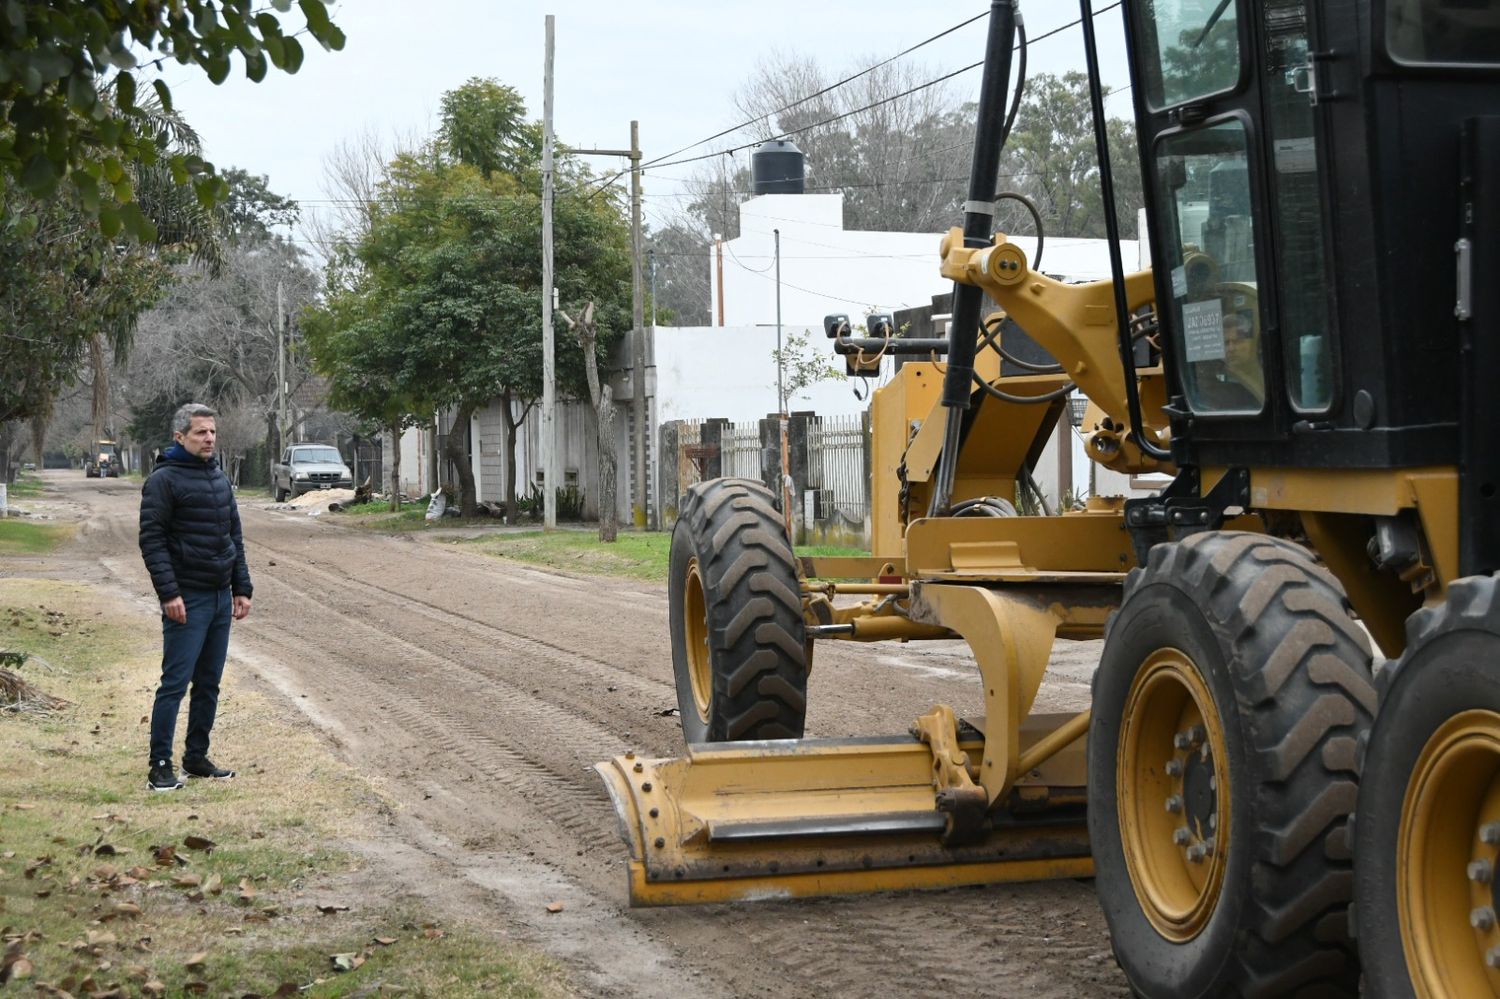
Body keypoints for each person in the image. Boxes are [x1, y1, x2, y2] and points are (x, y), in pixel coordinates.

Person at [138, 403, 253, 791]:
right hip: (187, 598)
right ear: (180, 437)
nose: (209, 439)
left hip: (221, 597)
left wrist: (242, 588)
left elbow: (233, 537)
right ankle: (160, 765)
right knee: (175, 682)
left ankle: (196, 757)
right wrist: (169, 593)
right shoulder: (163, 481)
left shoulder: (218, 478)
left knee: (209, 682)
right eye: (201, 433)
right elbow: (151, 542)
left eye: (212, 432)